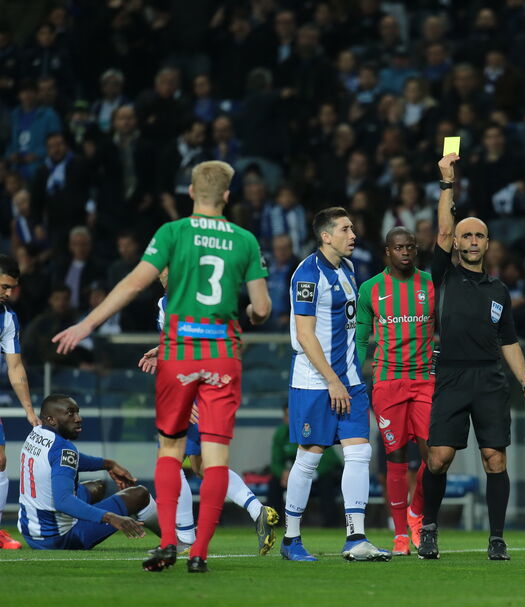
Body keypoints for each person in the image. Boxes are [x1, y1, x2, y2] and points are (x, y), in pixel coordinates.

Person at [52, 161, 272, 573]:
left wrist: (87, 323)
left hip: (182, 356)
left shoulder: (174, 233)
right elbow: (261, 309)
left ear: (190, 191)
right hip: (223, 355)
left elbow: (133, 282)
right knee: (215, 458)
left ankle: (171, 541)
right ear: (227, 196)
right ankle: (200, 552)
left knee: (170, 452)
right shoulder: (244, 240)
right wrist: (248, 315)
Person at [418, 154, 525, 562]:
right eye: (465, 235)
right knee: (438, 458)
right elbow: (442, 225)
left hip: (489, 378)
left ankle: (497, 538)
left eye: (479, 236)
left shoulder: (498, 291)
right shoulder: (443, 276)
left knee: (495, 458)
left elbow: (509, 341)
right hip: (450, 375)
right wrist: (447, 184)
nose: (471, 241)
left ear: (488, 244)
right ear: (455, 242)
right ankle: (429, 530)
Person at [138, 268, 280, 555]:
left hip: (196, 389)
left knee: (170, 458)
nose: (164, 273)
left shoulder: (189, 301)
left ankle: (185, 537)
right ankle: (257, 511)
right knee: (202, 465)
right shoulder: (167, 302)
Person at [281, 206, 390, 563]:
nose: (353, 234)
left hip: (351, 379)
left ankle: (355, 538)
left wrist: (355, 368)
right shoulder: (308, 275)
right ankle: (291, 539)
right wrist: (332, 381)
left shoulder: (347, 269)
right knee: (309, 459)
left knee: (360, 453)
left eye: (353, 228)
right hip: (316, 382)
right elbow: (305, 334)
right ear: (325, 236)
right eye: (345, 229)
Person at [355, 227, 434, 555]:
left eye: (410, 247)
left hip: (424, 379)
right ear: (387, 251)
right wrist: (358, 375)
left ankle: (417, 511)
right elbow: (360, 337)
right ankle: (401, 533)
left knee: (436, 455)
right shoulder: (370, 289)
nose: (405, 252)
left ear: (416, 250)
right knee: (396, 458)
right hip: (387, 383)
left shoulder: (430, 283)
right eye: (399, 247)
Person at [18, 394, 153, 550]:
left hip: (30, 532)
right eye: (70, 413)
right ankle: (175, 542)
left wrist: (108, 464)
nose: (78, 418)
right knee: (139, 494)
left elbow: (65, 461)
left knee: (97, 487)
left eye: (77, 412)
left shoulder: (36, 433)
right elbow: (63, 501)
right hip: (59, 539)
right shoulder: (63, 449)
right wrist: (110, 517)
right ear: (51, 419)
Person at [0, 255, 39, 550]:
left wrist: (28, 410)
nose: (8, 293)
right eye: (3, 286)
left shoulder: (7, 318)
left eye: (11, 288)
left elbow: (15, 367)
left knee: (0, 461)